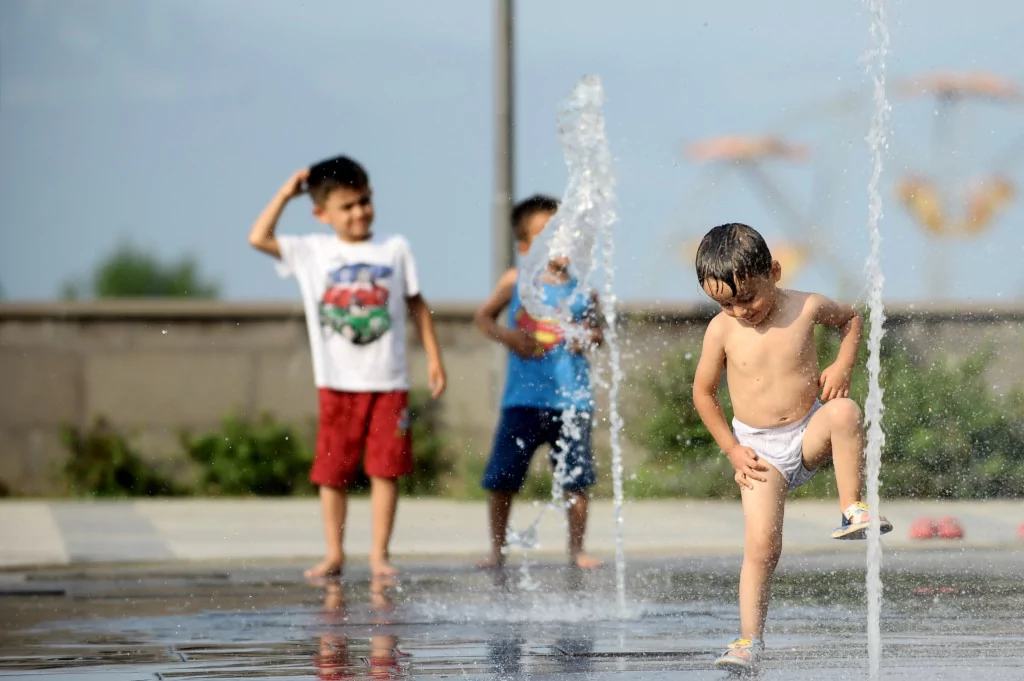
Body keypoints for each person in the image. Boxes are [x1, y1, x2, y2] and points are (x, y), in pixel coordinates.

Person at [690, 222, 893, 672]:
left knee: (845, 412)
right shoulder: (721, 330)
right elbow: (703, 393)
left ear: (774, 272)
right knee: (762, 546)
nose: (740, 311)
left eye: (747, 298)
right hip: (758, 452)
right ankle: (748, 640)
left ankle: (852, 507)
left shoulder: (807, 306)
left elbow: (852, 318)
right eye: (725, 302)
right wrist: (731, 450)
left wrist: (842, 363)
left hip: (807, 431)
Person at [249, 155, 446, 580]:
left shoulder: (394, 247)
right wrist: (287, 192)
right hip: (336, 382)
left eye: (364, 202)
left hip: (388, 380)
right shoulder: (312, 250)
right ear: (321, 213)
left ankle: (378, 554)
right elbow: (258, 237)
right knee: (332, 471)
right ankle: (334, 553)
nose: (359, 213)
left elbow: (416, 303)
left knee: (385, 469)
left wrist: (433, 356)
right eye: (347, 206)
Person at [473, 195, 603, 570]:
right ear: (526, 246)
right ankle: (497, 549)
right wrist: (508, 335)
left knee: (576, 480)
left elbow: (599, 334)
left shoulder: (583, 291)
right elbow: (483, 318)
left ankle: (575, 549)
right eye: (548, 235)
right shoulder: (516, 281)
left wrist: (587, 336)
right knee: (503, 478)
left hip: (573, 401)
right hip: (523, 400)